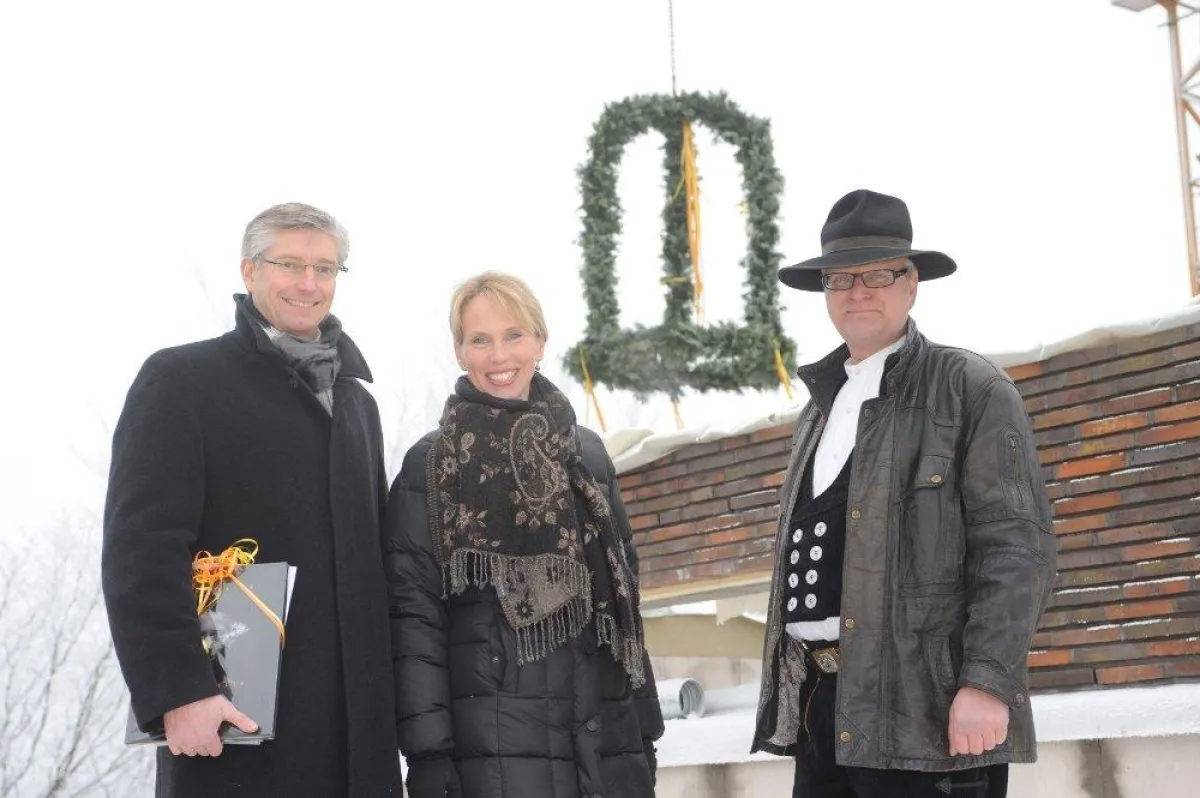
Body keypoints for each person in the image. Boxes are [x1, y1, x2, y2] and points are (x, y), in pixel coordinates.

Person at [751, 189, 1057, 797]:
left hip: (928, 714)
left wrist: (987, 682)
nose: (857, 291)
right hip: (824, 706)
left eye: (878, 274)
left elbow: (1016, 547)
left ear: (911, 284)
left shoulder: (969, 388)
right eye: (840, 278)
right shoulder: (818, 411)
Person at [102, 202, 402, 797]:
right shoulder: (182, 380)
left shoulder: (357, 405)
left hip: (356, 739)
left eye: (325, 268)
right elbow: (141, 552)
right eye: (289, 264)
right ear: (250, 271)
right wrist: (179, 691)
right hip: (234, 725)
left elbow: (376, 567)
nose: (309, 283)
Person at [385, 270, 664, 798]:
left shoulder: (586, 454)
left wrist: (645, 729)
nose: (499, 356)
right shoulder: (433, 464)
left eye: (513, 335)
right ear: (459, 352)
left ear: (540, 341)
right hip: (493, 743)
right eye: (480, 340)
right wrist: (428, 754)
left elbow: (624, 593)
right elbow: (414, 618)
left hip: (606, 732)